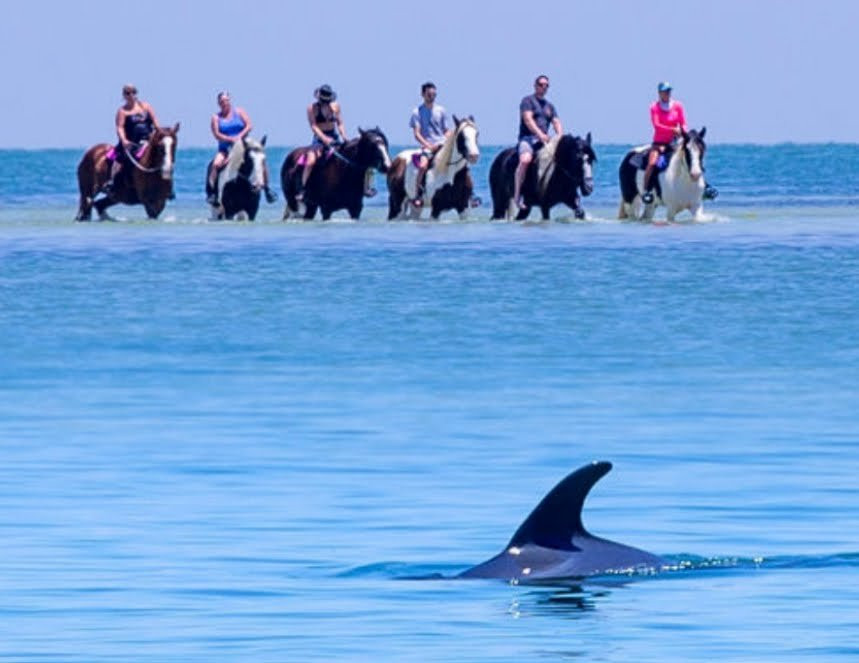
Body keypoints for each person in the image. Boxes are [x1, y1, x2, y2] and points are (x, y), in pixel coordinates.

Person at [206, 91, 275, 206]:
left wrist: (239, 136)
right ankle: (212, 193)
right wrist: (230, 139)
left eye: (226, 101)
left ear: (230, 101)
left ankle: (267, 189)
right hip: (225, 147)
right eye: (222, 102)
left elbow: (249, 125)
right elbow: (216, 134)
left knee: (260, 158)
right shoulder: (216, 117)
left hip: (243, 143)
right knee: (215, 164)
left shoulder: (239, 112)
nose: (225, 103)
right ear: (218, 103)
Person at [513, 74, 563, 210]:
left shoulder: (550, 106)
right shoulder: (527, 101)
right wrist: (539, 134)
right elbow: (528, 120)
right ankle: (517, 195)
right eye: (541, 84)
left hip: (545, 140)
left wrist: (559, 136)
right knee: (525, 161)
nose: (544, 87)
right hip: (528, 139)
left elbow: (556, 122)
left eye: (546, 85)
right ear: (535, 86)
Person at [105, 84, 162, 194]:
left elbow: (155, 122)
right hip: (131, 142)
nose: (131, 95)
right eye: (128, 93)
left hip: (147, 141)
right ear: (124, 96)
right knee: (119, 159)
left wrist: (158, 133)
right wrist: (124, 140)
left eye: (133, 92)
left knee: (163, 155)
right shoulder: (122, 111)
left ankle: (166, 187)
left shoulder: (146, 107)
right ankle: (112, 182)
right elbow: (120, 127)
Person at [297, 84, 348, 202]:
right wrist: (324, 138)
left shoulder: (335, 107)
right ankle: (303, 189)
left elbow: (340, 123)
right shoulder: (312, 108)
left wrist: (343, 136)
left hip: (333, 136)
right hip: (319, 138)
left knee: (347, 158)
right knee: (311, 161)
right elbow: (313, 126)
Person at [642, 81, 687, 204]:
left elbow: (683, 122)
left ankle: (704, 187)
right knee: (652, 164)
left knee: (691, 158)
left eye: (668, 91)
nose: (667, 93)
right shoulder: (654, 107)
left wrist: (682, 131)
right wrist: (672, 129)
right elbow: (657, 125)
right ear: (659, 93)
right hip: (659, 143)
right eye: (664, 91)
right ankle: (646, 190)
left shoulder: (678, 106)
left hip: (675, 143)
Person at [408, 81, 452, 207]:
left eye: (434, 94)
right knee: (422, 166)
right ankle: (418, 194)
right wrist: (428, 145)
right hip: (427, 145)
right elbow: (417, 133)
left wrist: (449, 139)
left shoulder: (441, 110)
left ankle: (469, 194)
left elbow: (446, 130)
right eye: (429, 94)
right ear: (423, 94)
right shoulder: (417, 112)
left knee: (459, 161)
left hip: (442, 144)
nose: (432, 97)